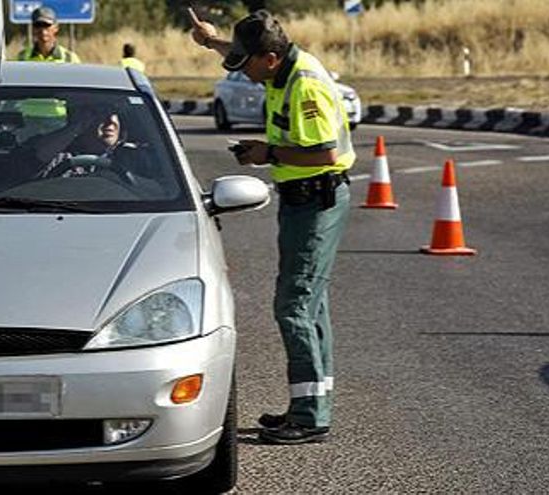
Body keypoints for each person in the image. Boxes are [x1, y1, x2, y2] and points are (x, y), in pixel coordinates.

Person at [189, 8, 355, 445]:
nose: (243, 74)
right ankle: (312, 403)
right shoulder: (280, 67)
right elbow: (242, 53)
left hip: (316, 197)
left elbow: (322, 153)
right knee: (311, 305)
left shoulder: (305, 87)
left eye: (247, 65)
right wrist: (212, 41)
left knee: (294, 305)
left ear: (271, 58)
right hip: (302, 198)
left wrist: (268, 155)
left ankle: (309, 416)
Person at [34, 111, 162, 196]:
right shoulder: (58, 155)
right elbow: (36, 160)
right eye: (100, 114)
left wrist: (115, 179)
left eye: (114, 113)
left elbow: (162, 192)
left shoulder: (135, 157)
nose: (110, 121)